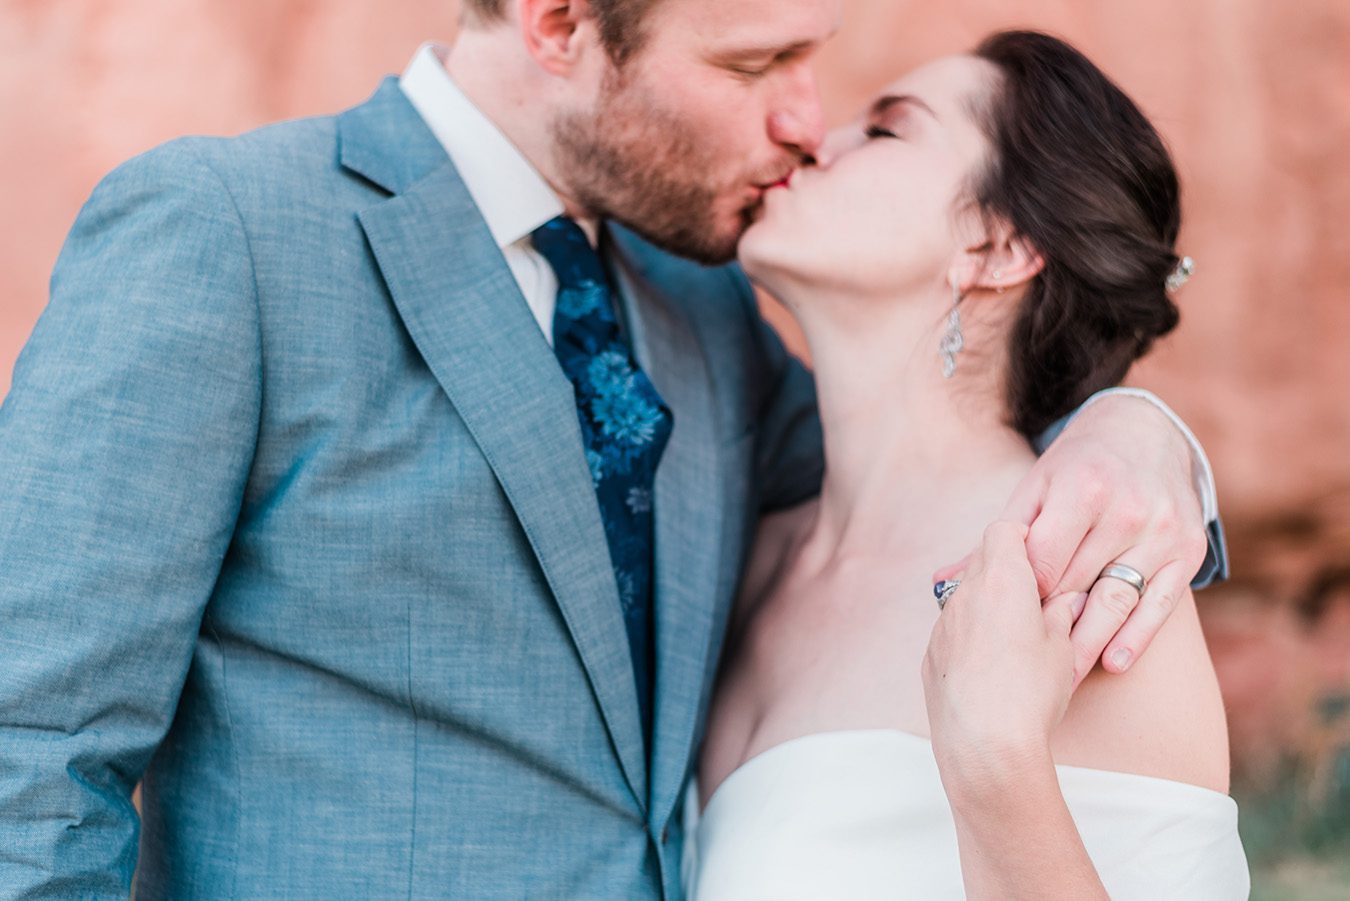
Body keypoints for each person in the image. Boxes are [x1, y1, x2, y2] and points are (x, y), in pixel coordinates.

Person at [0, 2, 1223, 897]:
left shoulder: (704, 314)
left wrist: (1142, 430)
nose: (803, 121)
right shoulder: (229, 233)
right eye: (755, 63)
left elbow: (935, 457)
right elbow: (30, 750)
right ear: (560, 22)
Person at [688, 31, 1248, 898]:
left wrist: (997, 769)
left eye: (886, 131)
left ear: (996, 246)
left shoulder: (1085, 586)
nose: (812, 138)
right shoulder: (743, 555)